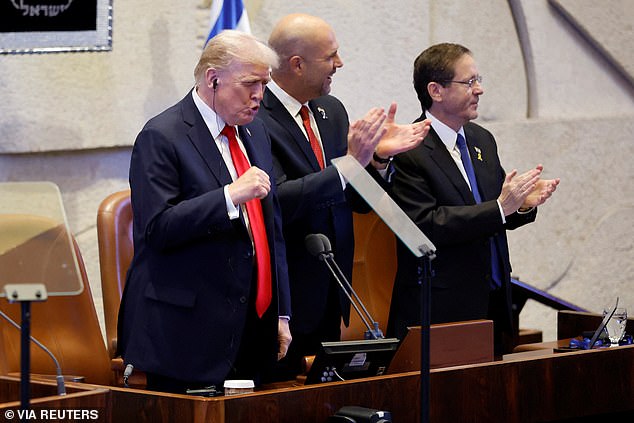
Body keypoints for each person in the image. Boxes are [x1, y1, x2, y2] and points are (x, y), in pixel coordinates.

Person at [116, 30, 292, 393]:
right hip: (185, 333)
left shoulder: (254, 132)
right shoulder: (162, 136)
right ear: (213, 79)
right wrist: (228, 196)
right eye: (250, 84)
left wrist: (281, 312)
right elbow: (157, 229)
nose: (260, 96)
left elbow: (270, 230)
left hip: (250, 326)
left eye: (264, 84)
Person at [256, 13, 430, 379]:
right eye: (331, 56)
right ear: (297, 64)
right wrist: (351, 164)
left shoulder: (331, 111)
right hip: (284, 295)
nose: (340, 64)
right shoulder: (255, 118)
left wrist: (378, 160)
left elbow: (355, 201)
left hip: (332, 285)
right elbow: (278, 200)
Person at [386, 43, 560, 354]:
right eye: (469, 82)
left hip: (494, 299)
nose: (479, 89)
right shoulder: (409, 147)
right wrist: (500, 208)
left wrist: (521, 203)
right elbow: (426, 224)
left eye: (479, 79)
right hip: (441, 310)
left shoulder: (482, 139)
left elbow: (494, 211)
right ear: (436, 91)